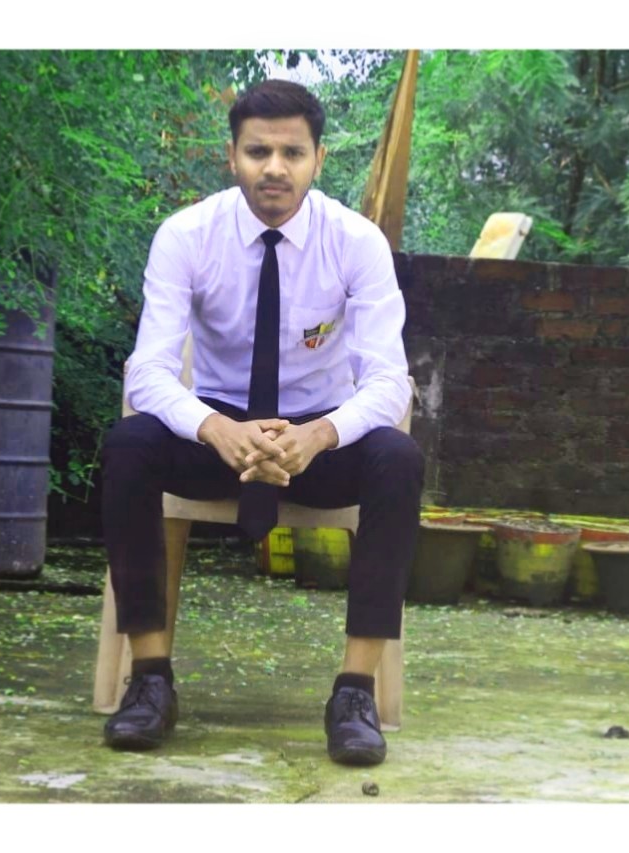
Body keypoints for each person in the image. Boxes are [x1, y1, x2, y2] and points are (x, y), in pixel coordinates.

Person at [100, 79, 424, 766]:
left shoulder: (355, 243)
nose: (274, 168)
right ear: (232, 156)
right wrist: (215, 428)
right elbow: (148, 372)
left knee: (397, 458)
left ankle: (354, 691)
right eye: (257, 151)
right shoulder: (187, 236)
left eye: (292, 152)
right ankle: (150, 679)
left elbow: (388, 379)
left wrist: (318, 435)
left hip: (317, 442)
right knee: (129, 443)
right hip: (216, 434)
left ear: (318, 159)